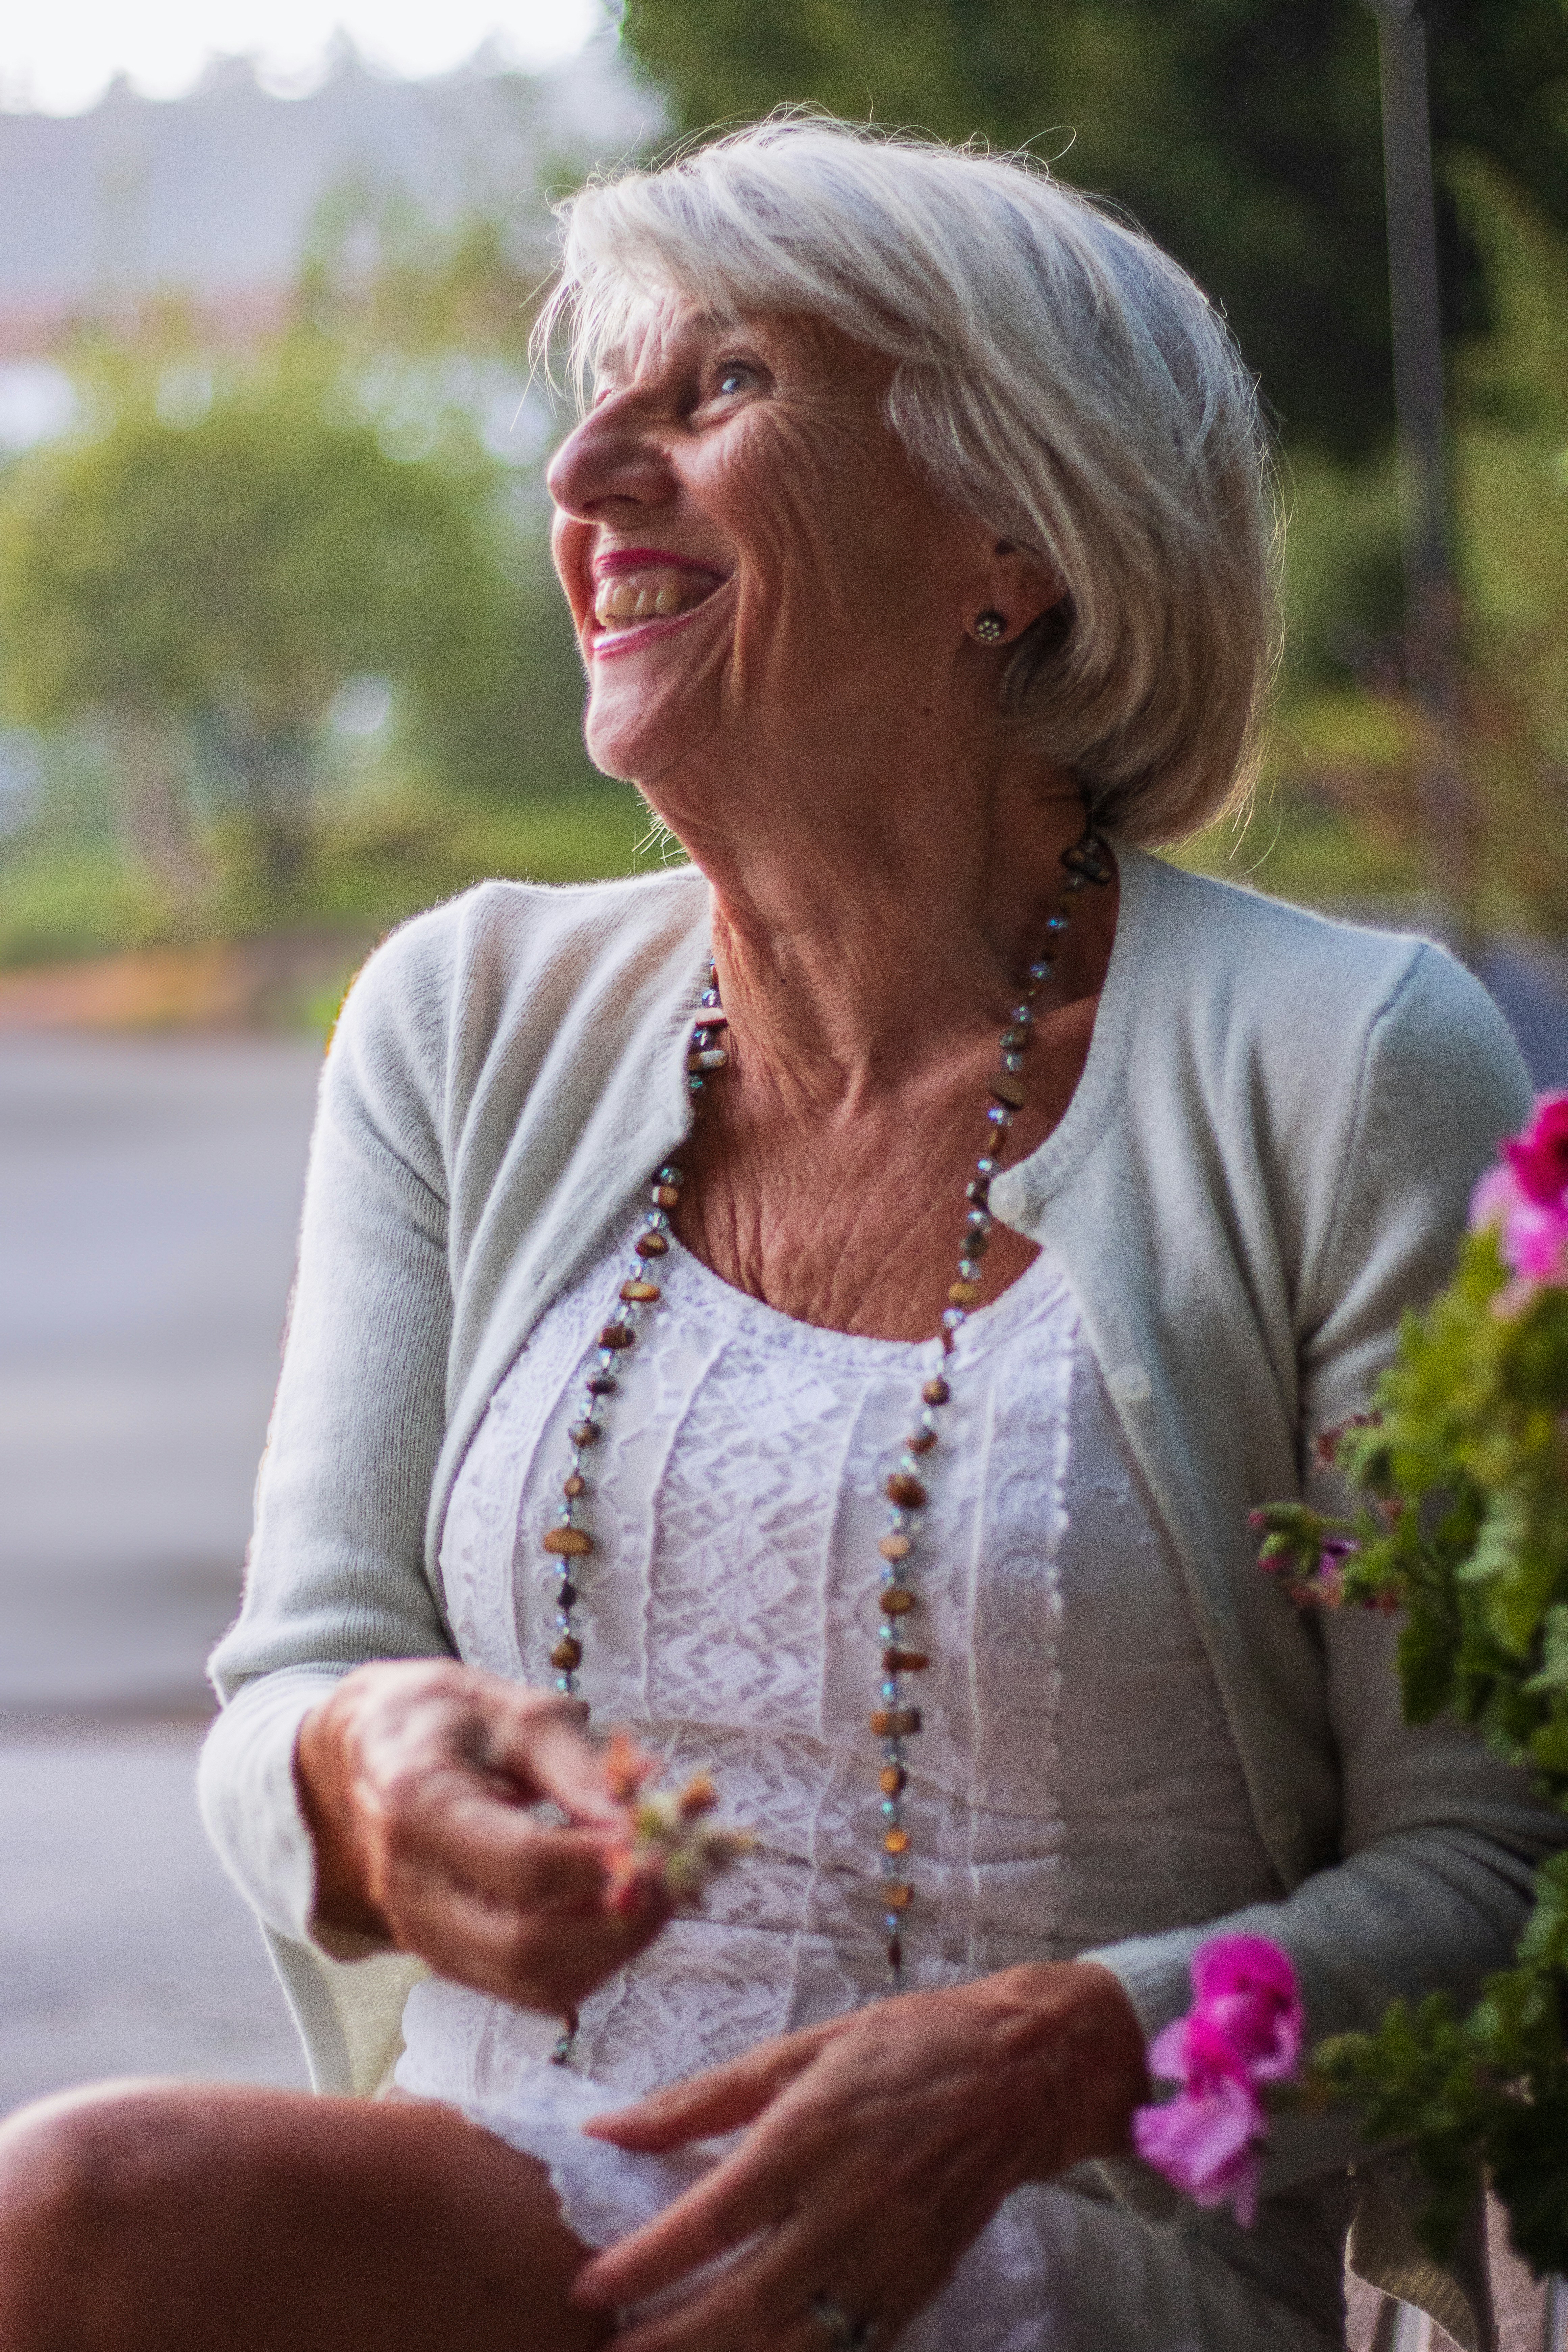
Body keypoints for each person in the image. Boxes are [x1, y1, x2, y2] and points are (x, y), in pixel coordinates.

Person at [0, 117, 1555, 2352]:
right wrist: (370, 1775)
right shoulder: (462, 1016)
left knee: (97, 2217)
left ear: (1015, 533)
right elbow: (292, 1690)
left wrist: (1064, 2055)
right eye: (595, 401)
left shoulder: (1350, 1057)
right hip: (491, 2210)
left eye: (715, 389)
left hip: (1063, 2261)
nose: (590, 470)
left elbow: (1497, 1879)